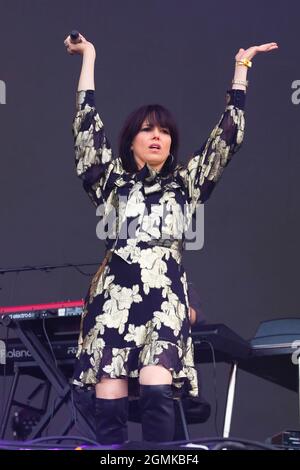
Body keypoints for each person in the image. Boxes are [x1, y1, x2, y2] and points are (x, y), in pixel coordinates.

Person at [64, 33, 278, 445]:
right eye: (147, 130)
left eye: (164, 131)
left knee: (158, 392)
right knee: (109, 399)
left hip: (163, 298)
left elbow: (226, 139)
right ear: (132, 140)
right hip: (114, 298)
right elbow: (86, 126)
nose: (157, 136)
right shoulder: (110, 181)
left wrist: (241, 70)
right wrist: (88, 56)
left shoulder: (186, 183)